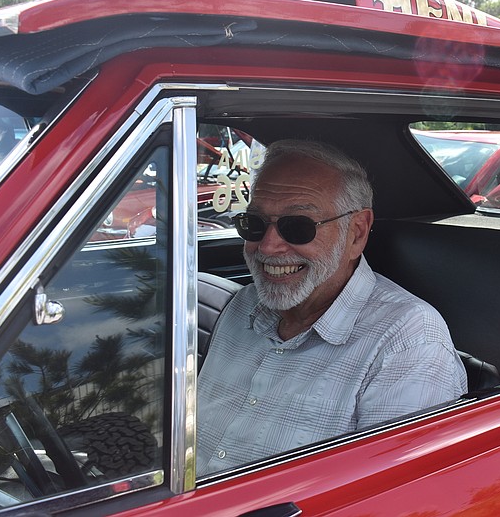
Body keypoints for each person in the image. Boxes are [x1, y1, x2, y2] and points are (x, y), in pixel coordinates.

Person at [197, 140, 467, 475]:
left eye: (297, 226)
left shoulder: (407, 344)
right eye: (254, 223)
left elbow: (390, 495)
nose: (267, 245)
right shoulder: (244, 305)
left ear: (356, 233)